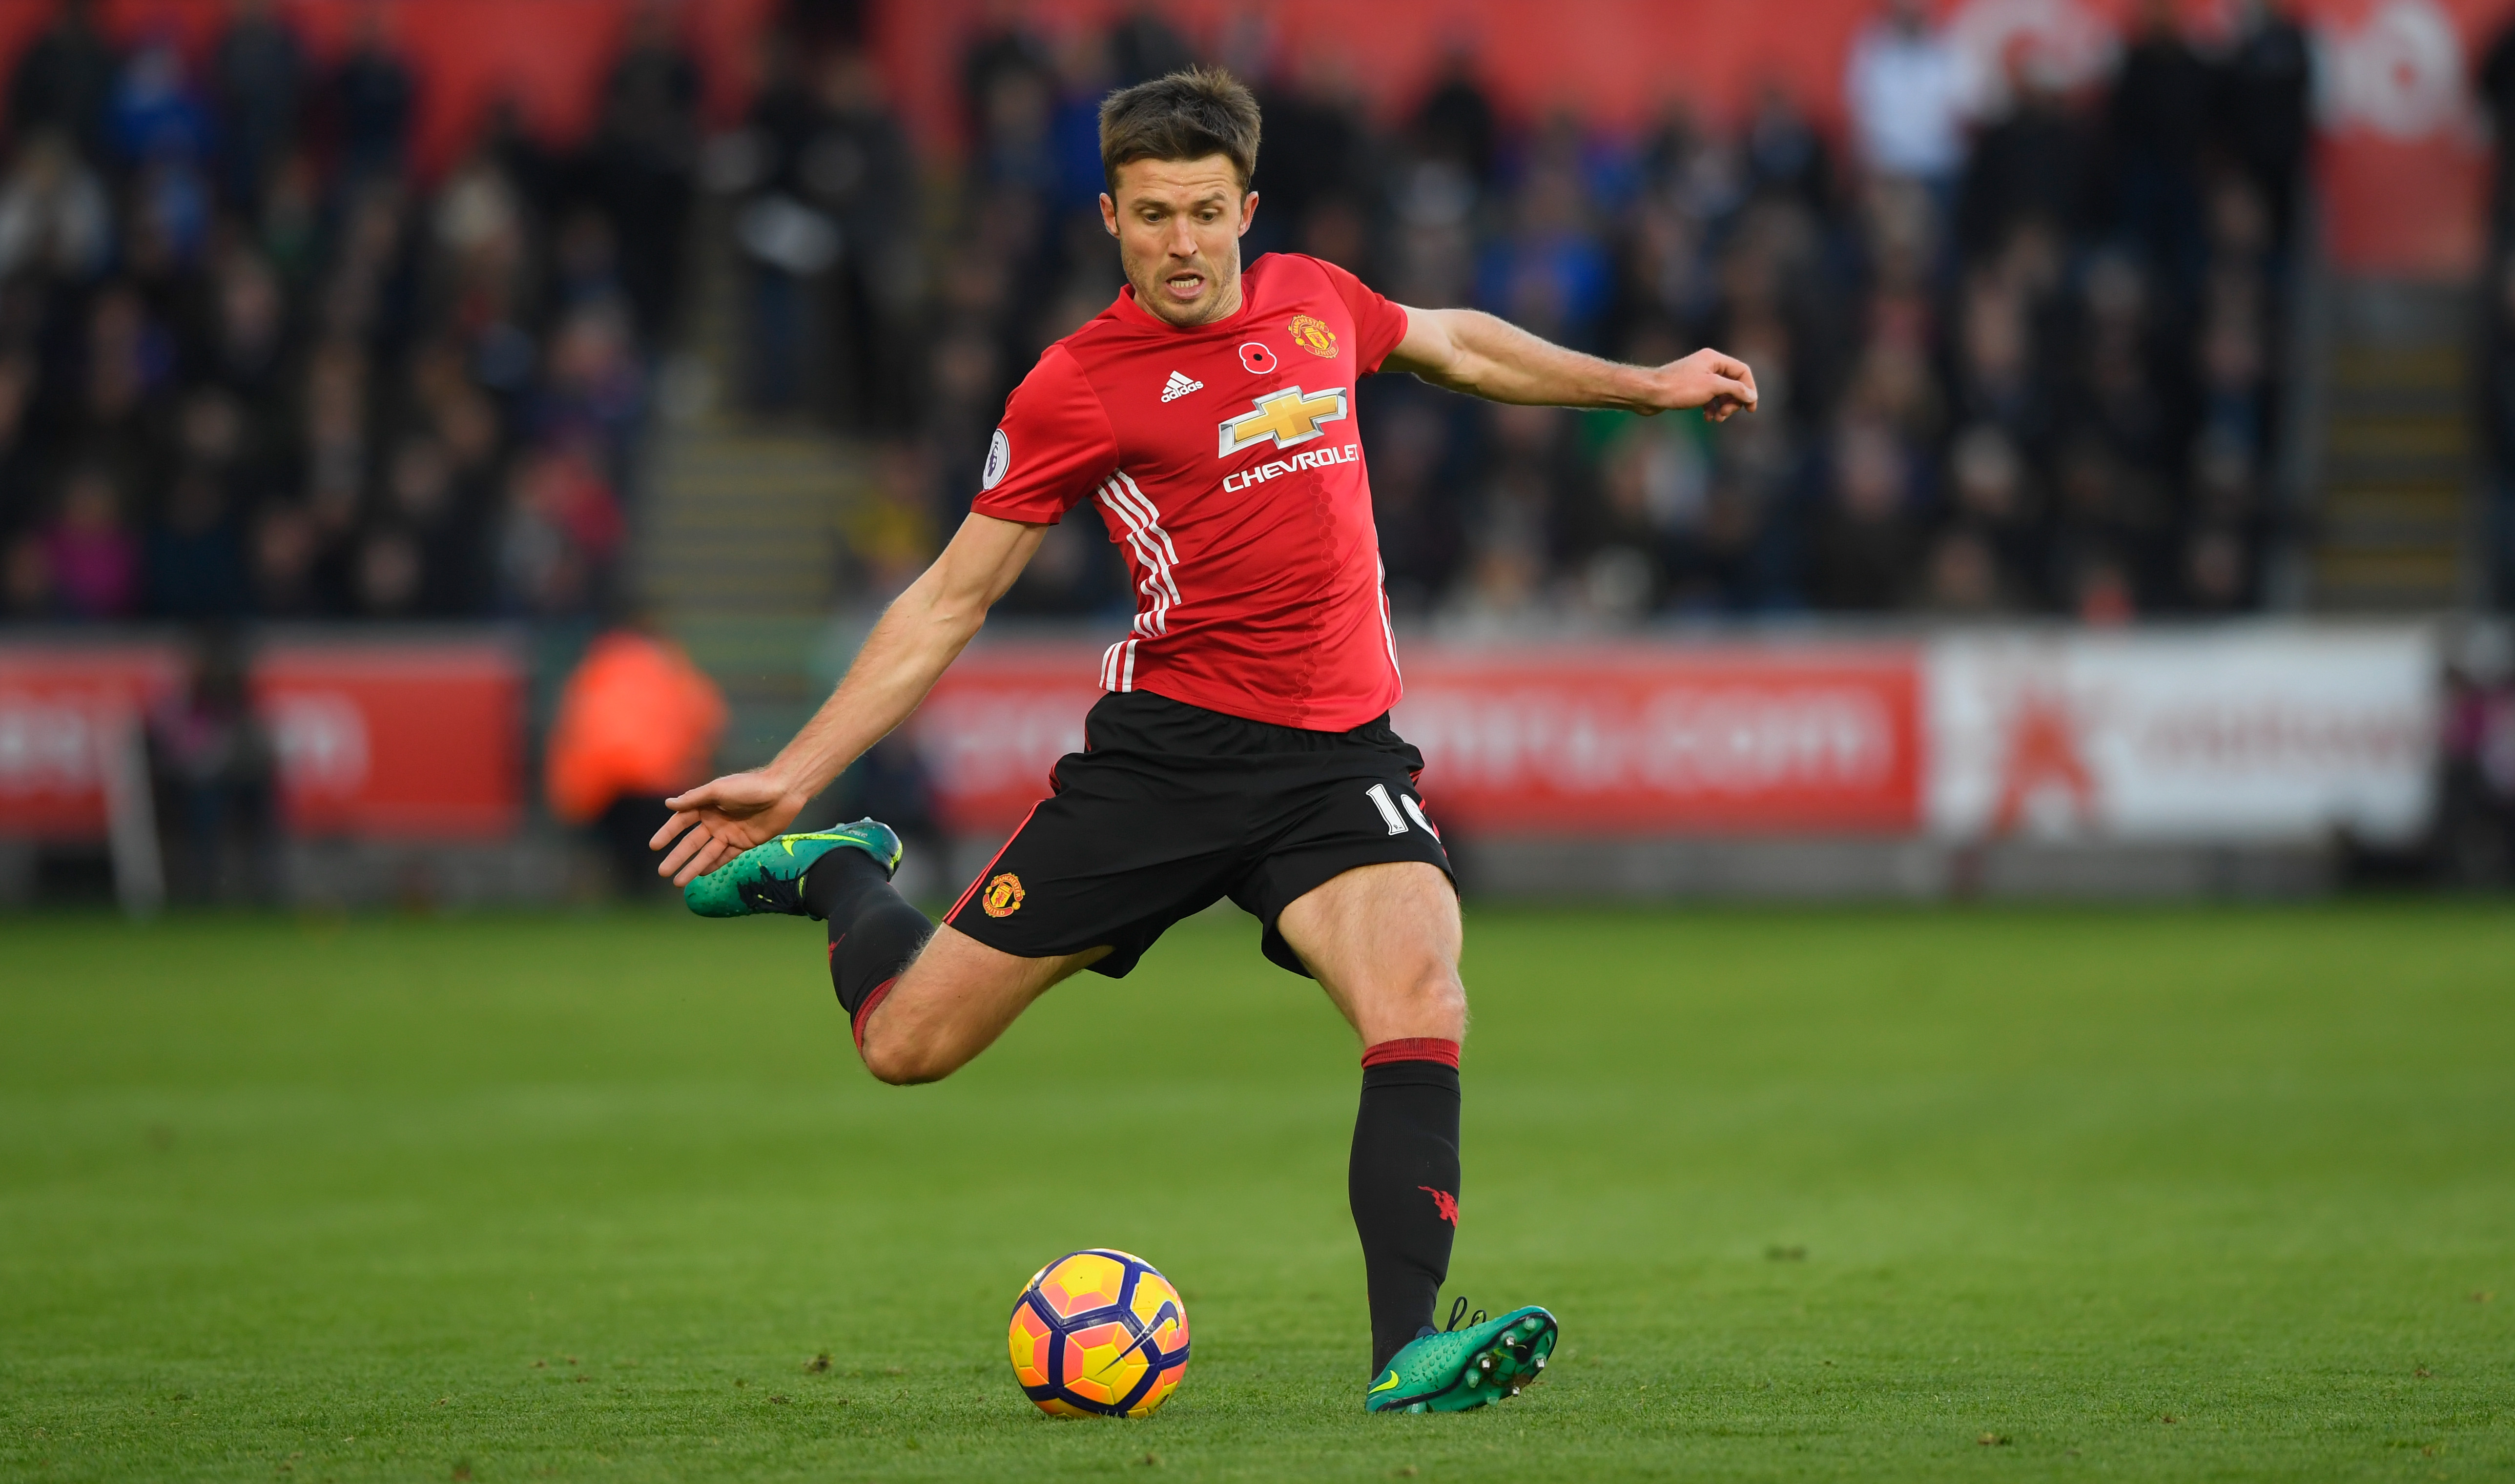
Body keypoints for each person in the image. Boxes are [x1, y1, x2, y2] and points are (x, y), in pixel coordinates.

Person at [649, 67, 1755, 1414]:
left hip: (1339, 763)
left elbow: (1457, 343)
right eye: (1155, 214)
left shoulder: (1317, 299)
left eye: (1208, 212)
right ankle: (838, 873)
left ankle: (1408, 1348)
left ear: (1249, 210)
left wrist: (1643, 388)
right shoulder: (1076, 388)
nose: (1184, 242)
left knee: (1423, 999)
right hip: (1165, 765)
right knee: (906, 1045)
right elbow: (952, 597)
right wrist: (796, 770)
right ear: (1111, 218)